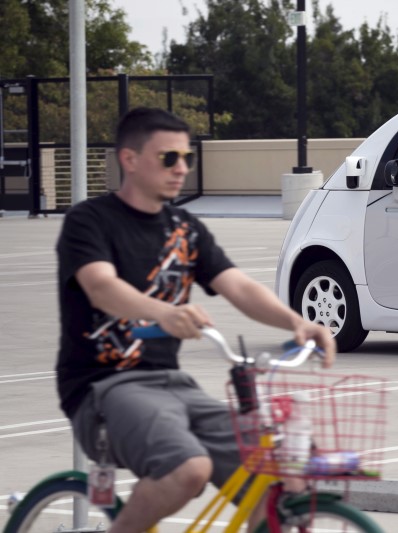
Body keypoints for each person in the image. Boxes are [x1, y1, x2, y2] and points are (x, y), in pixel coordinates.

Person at [55, 107, 336, 533]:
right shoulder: (89, 221)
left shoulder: (184, 229)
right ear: (129, 159)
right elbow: (100, 286)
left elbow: (238, 286)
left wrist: (296, 322)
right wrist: (164, 312)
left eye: (188, 158)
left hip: (172, 384)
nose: (182, 168)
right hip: (103, 387)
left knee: (278, 471)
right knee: (189, 469)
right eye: (169, 158)